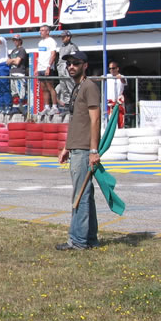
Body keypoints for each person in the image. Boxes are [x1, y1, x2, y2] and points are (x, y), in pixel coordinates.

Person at [57, 50, 101, 251]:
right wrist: (67, 146)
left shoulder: (89, 87)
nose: (71, 66)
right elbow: (76, 121)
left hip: (85, 149)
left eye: (75, 63)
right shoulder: (77, 87)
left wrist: (93, 150)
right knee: (86, 194)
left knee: (80, 195)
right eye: (68, 63)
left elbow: (95, 119)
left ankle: (77, 241)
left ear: (85, 65)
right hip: (76, 147)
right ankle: (90, 238)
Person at [37, 24, 60, 115]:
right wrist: (37, 68)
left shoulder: (51, 41)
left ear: (47, 31)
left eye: (42, 30)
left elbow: (53, 54)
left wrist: (48, 67)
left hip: (48, 67)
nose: (41, 32)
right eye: (40, 30)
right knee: (43, 88)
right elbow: (40, 56)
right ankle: (46, 107)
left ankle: (54, 106)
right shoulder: (40, 43)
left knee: (50, 87)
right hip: (40, 68)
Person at [56, 30, 79, 108]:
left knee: (71, 86)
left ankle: (74, 103)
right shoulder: (61, 47)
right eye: (61, 37)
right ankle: (67, 104)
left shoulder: (72, 46)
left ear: (69, 37)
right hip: (60, 68)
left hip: (67, 67)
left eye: (64, 37)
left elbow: (75, 58)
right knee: (63, 86)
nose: (62, 38)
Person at [7, 34, 29, 115]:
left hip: (19, 73)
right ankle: (15, 107)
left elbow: (17, 62)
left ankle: (24, 108)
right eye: (14, 40)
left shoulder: (22, 50)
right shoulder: (13, 51)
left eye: (16, 40)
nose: (15, 41)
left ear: (20, 40)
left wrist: (12, 60)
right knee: (14, 92)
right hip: (12, 73)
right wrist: (13, 60)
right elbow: (7, 61)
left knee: (22, 92)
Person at [106, 60, 128, 128]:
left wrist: (120, 78)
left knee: (120, 121)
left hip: (119, 103)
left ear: (117, 68)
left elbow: (124, 82)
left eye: (113, 68)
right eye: (110, 68)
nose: (111, 70)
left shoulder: (122, 76)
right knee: (110, 122)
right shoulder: (107, 76)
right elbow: (98, 78)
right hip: (110, 103)